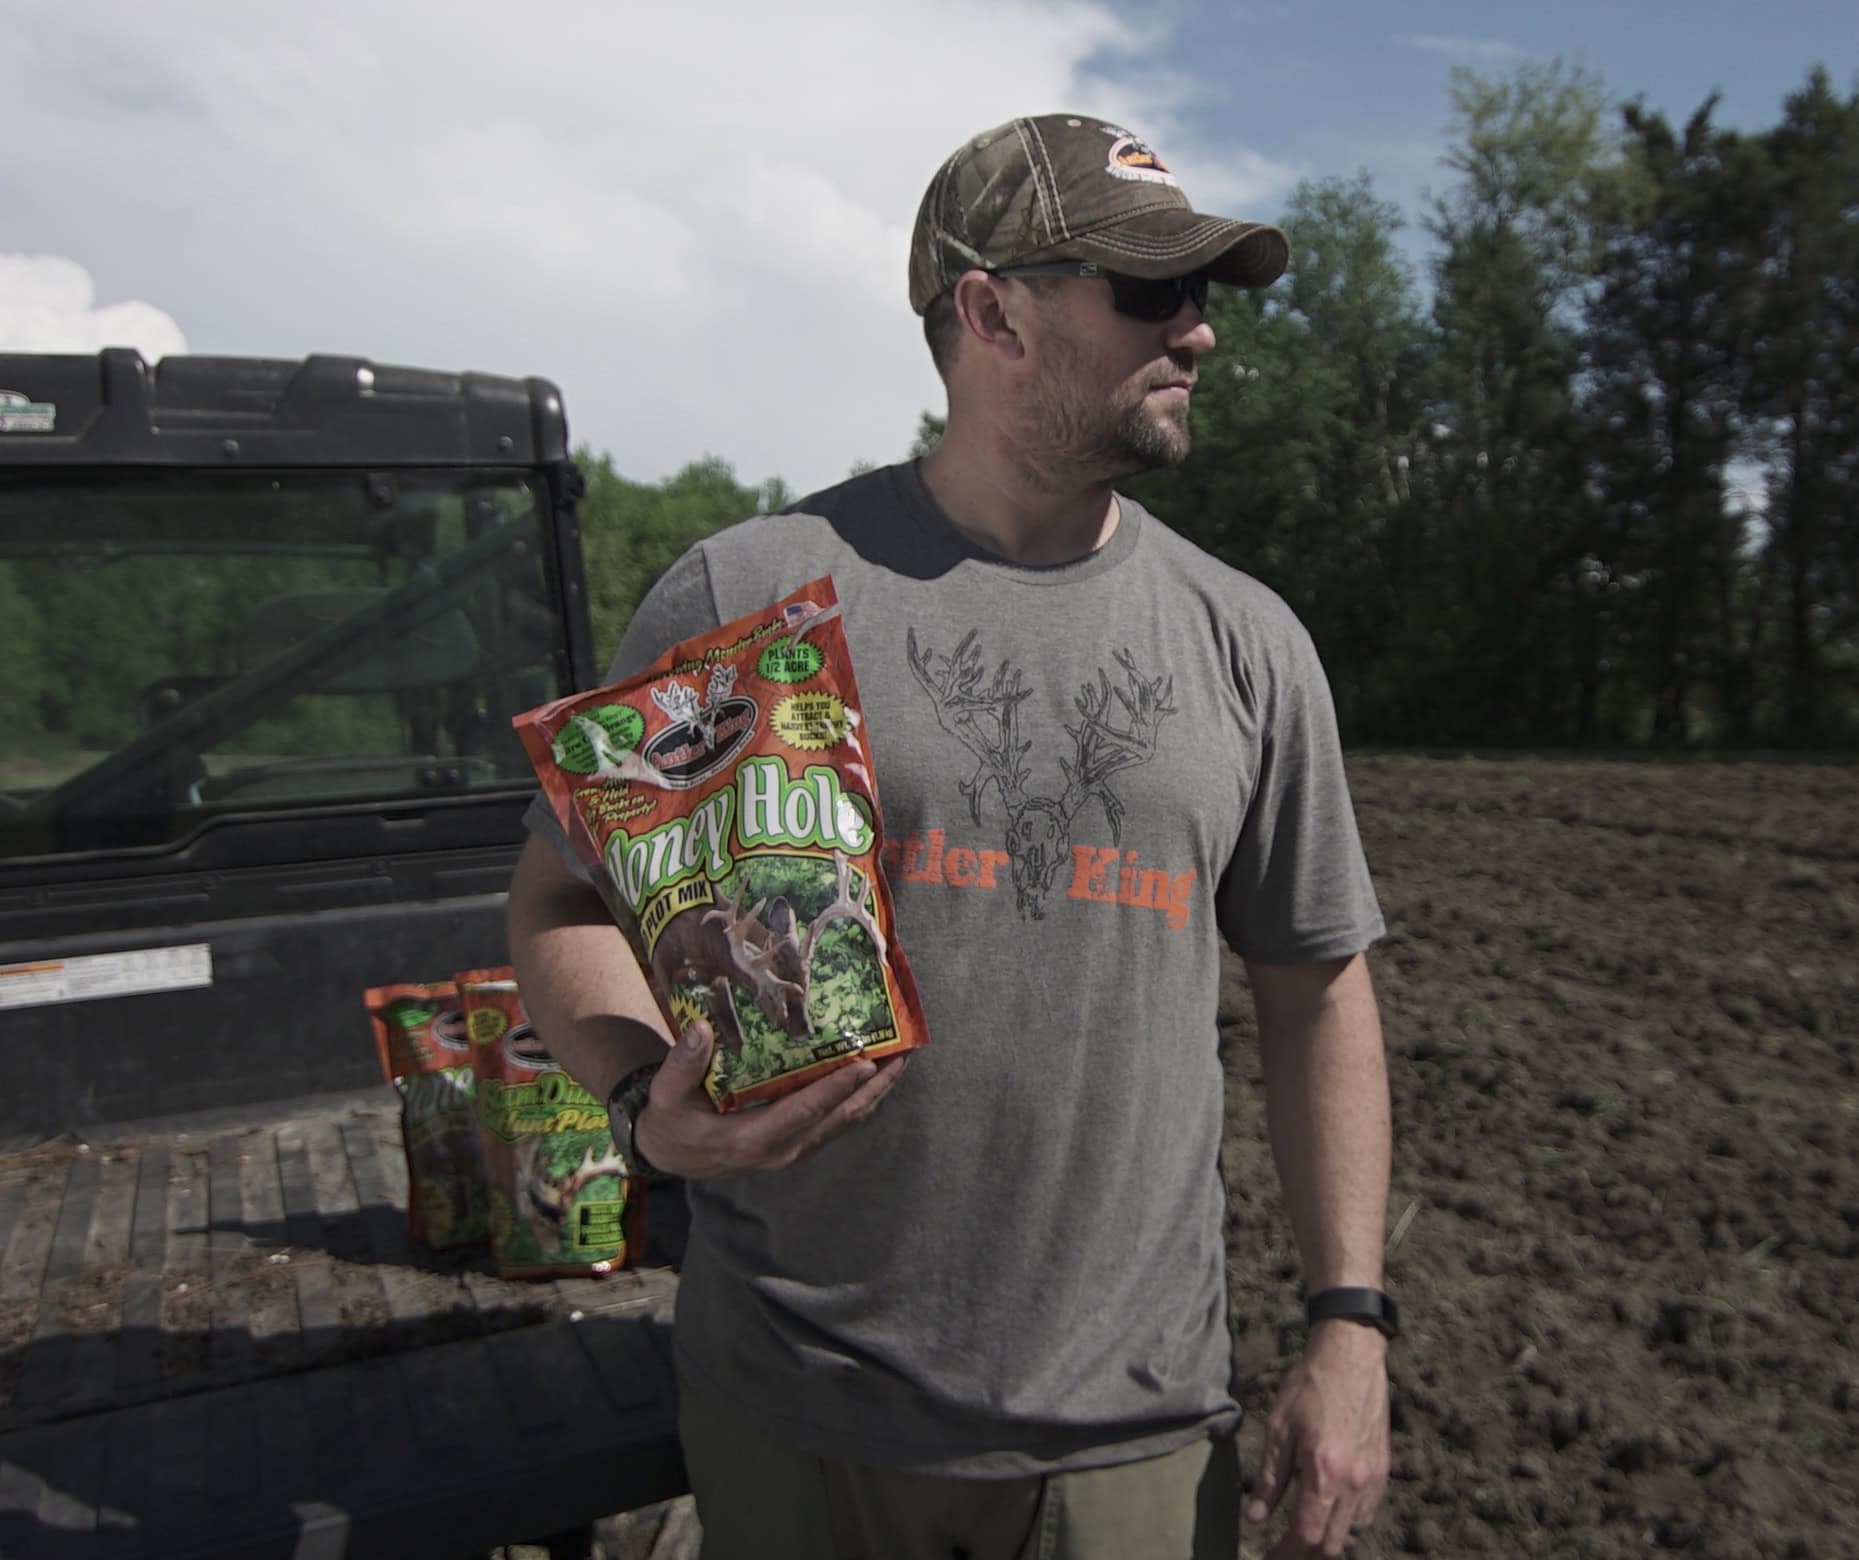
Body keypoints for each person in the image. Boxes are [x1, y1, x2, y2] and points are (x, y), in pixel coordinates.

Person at [506, 112, 1394, 1560]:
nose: (1199, 331)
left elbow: (1319, 990)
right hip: (804, 1419)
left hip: (1136, 1437)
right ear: (991, 313)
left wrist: (1350, 1324)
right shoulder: (754, 593)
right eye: (1152, 291)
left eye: (1200, 293)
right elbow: (562, 903)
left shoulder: (1247, 643)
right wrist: (634, 1109)